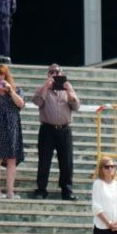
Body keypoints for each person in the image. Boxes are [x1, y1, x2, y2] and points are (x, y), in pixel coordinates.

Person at [29, 65, 81, 203]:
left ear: (61, 73)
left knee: (67, 162)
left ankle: (66, 190)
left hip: (64, 129)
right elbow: (37, 102)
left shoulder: (68, 89)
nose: (53, 74)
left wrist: (70, 91)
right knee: (44, 160)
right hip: (47, 129)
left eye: (56, 72)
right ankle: (41, 189)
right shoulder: (42, 89)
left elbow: (76, 106)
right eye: (50, 72)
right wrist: (45, 87)